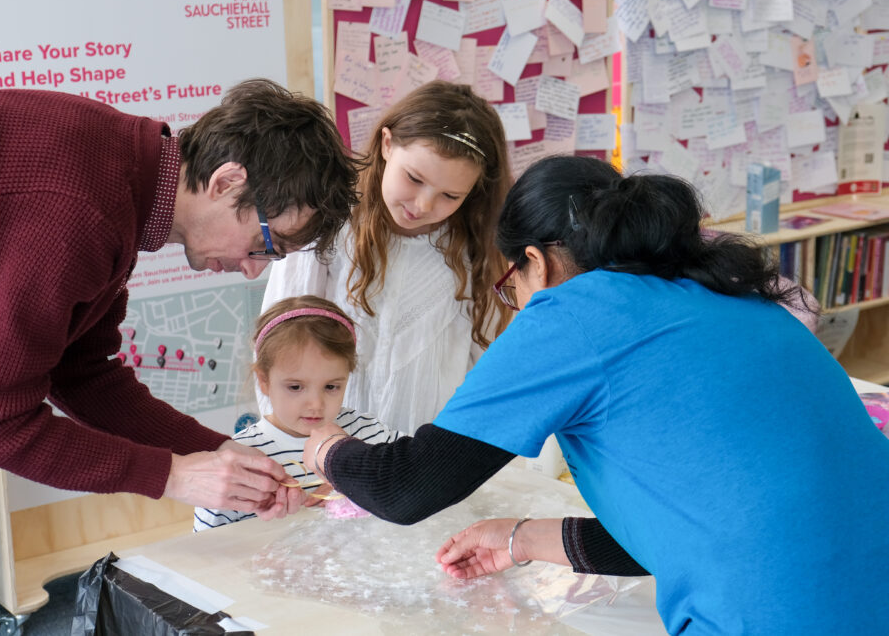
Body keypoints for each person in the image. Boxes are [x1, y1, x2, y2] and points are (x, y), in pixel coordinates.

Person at [304, 156, 889, 633]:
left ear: (535, 261)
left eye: (514, 285)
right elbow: (693, 521)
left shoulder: (576, 311)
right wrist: (520, 539)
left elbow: (404, 489)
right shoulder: (734, 295)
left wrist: (326, 446)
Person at [0, 80, 357, 635]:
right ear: (227, 182)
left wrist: (221, 454)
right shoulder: (77, 205)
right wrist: (172, 476)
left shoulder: (119, 180)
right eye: (267, 244)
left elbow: (85, 375)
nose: (253, 270)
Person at [262, 80, 512, 434]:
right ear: (387, 144)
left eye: (450, 196)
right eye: (413, 178)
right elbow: (277, 347)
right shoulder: (327, 225)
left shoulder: (477, 252)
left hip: (426, 460)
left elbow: (487, 376)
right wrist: (286, 445)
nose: (423, 205)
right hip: (323, 456)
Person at [194, 295, 400, 530]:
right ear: (263, 380)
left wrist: (356, 484)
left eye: (331, 387)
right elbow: (207, 548)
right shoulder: (241, 459)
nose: (315, 404)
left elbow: (423, 480)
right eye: (295, 387)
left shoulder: (370, 433)